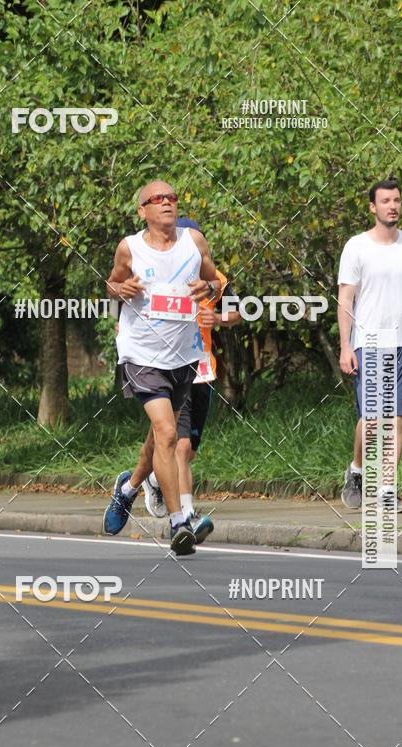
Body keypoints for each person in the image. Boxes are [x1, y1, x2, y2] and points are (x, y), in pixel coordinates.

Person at [103, 180, 220, 554]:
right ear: (143, 210)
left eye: (172, 197)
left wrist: (209, 289)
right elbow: (112, 283)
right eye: (158, 199)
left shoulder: (193, 242)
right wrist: (120, 290)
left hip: (183, 356)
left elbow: (214, 280)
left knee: (158, 438)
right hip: (141, 354)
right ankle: (178, 523)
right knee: (168, 432)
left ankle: (128, 487)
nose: (167, 203)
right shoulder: (130, 247)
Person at [337, 176, 402, 513]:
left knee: (396, 418)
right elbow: (345, 300)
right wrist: (345, 346)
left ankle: (386, 489)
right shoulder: (356, 246)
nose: (393, 206)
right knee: (371, 420)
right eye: (385, 201)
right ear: (373, 207)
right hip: (367, 342)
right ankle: (356, 471)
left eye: (396, 200)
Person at [142, 217, 240, 540]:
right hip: (169, 369)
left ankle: (156, 479)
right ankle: (187, 516)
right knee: (180, 446)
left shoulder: (216, 280)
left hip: (203, 370)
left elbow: (237, 313)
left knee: (189, 449)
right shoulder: (156, 276)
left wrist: (219, 318)